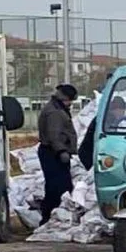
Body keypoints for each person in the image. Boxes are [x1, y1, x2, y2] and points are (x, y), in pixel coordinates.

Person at [37, 84, 78, 224]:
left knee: (57, 185)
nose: (70, 104)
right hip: (53, 153)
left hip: (54, 152)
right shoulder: (54, 112)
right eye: (70, 100)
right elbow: (54, 135)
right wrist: (61, 151)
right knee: (58, 187)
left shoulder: (57, 108)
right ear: (64, 98)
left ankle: (52, 215)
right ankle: (49, 216)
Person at [78, 96, 126, 171]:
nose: (123, 114)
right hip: (91, 154)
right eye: (122, 111)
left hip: (89, 153)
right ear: (116, 109)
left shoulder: (105, 117)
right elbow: (108, 138)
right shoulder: (108, 119)